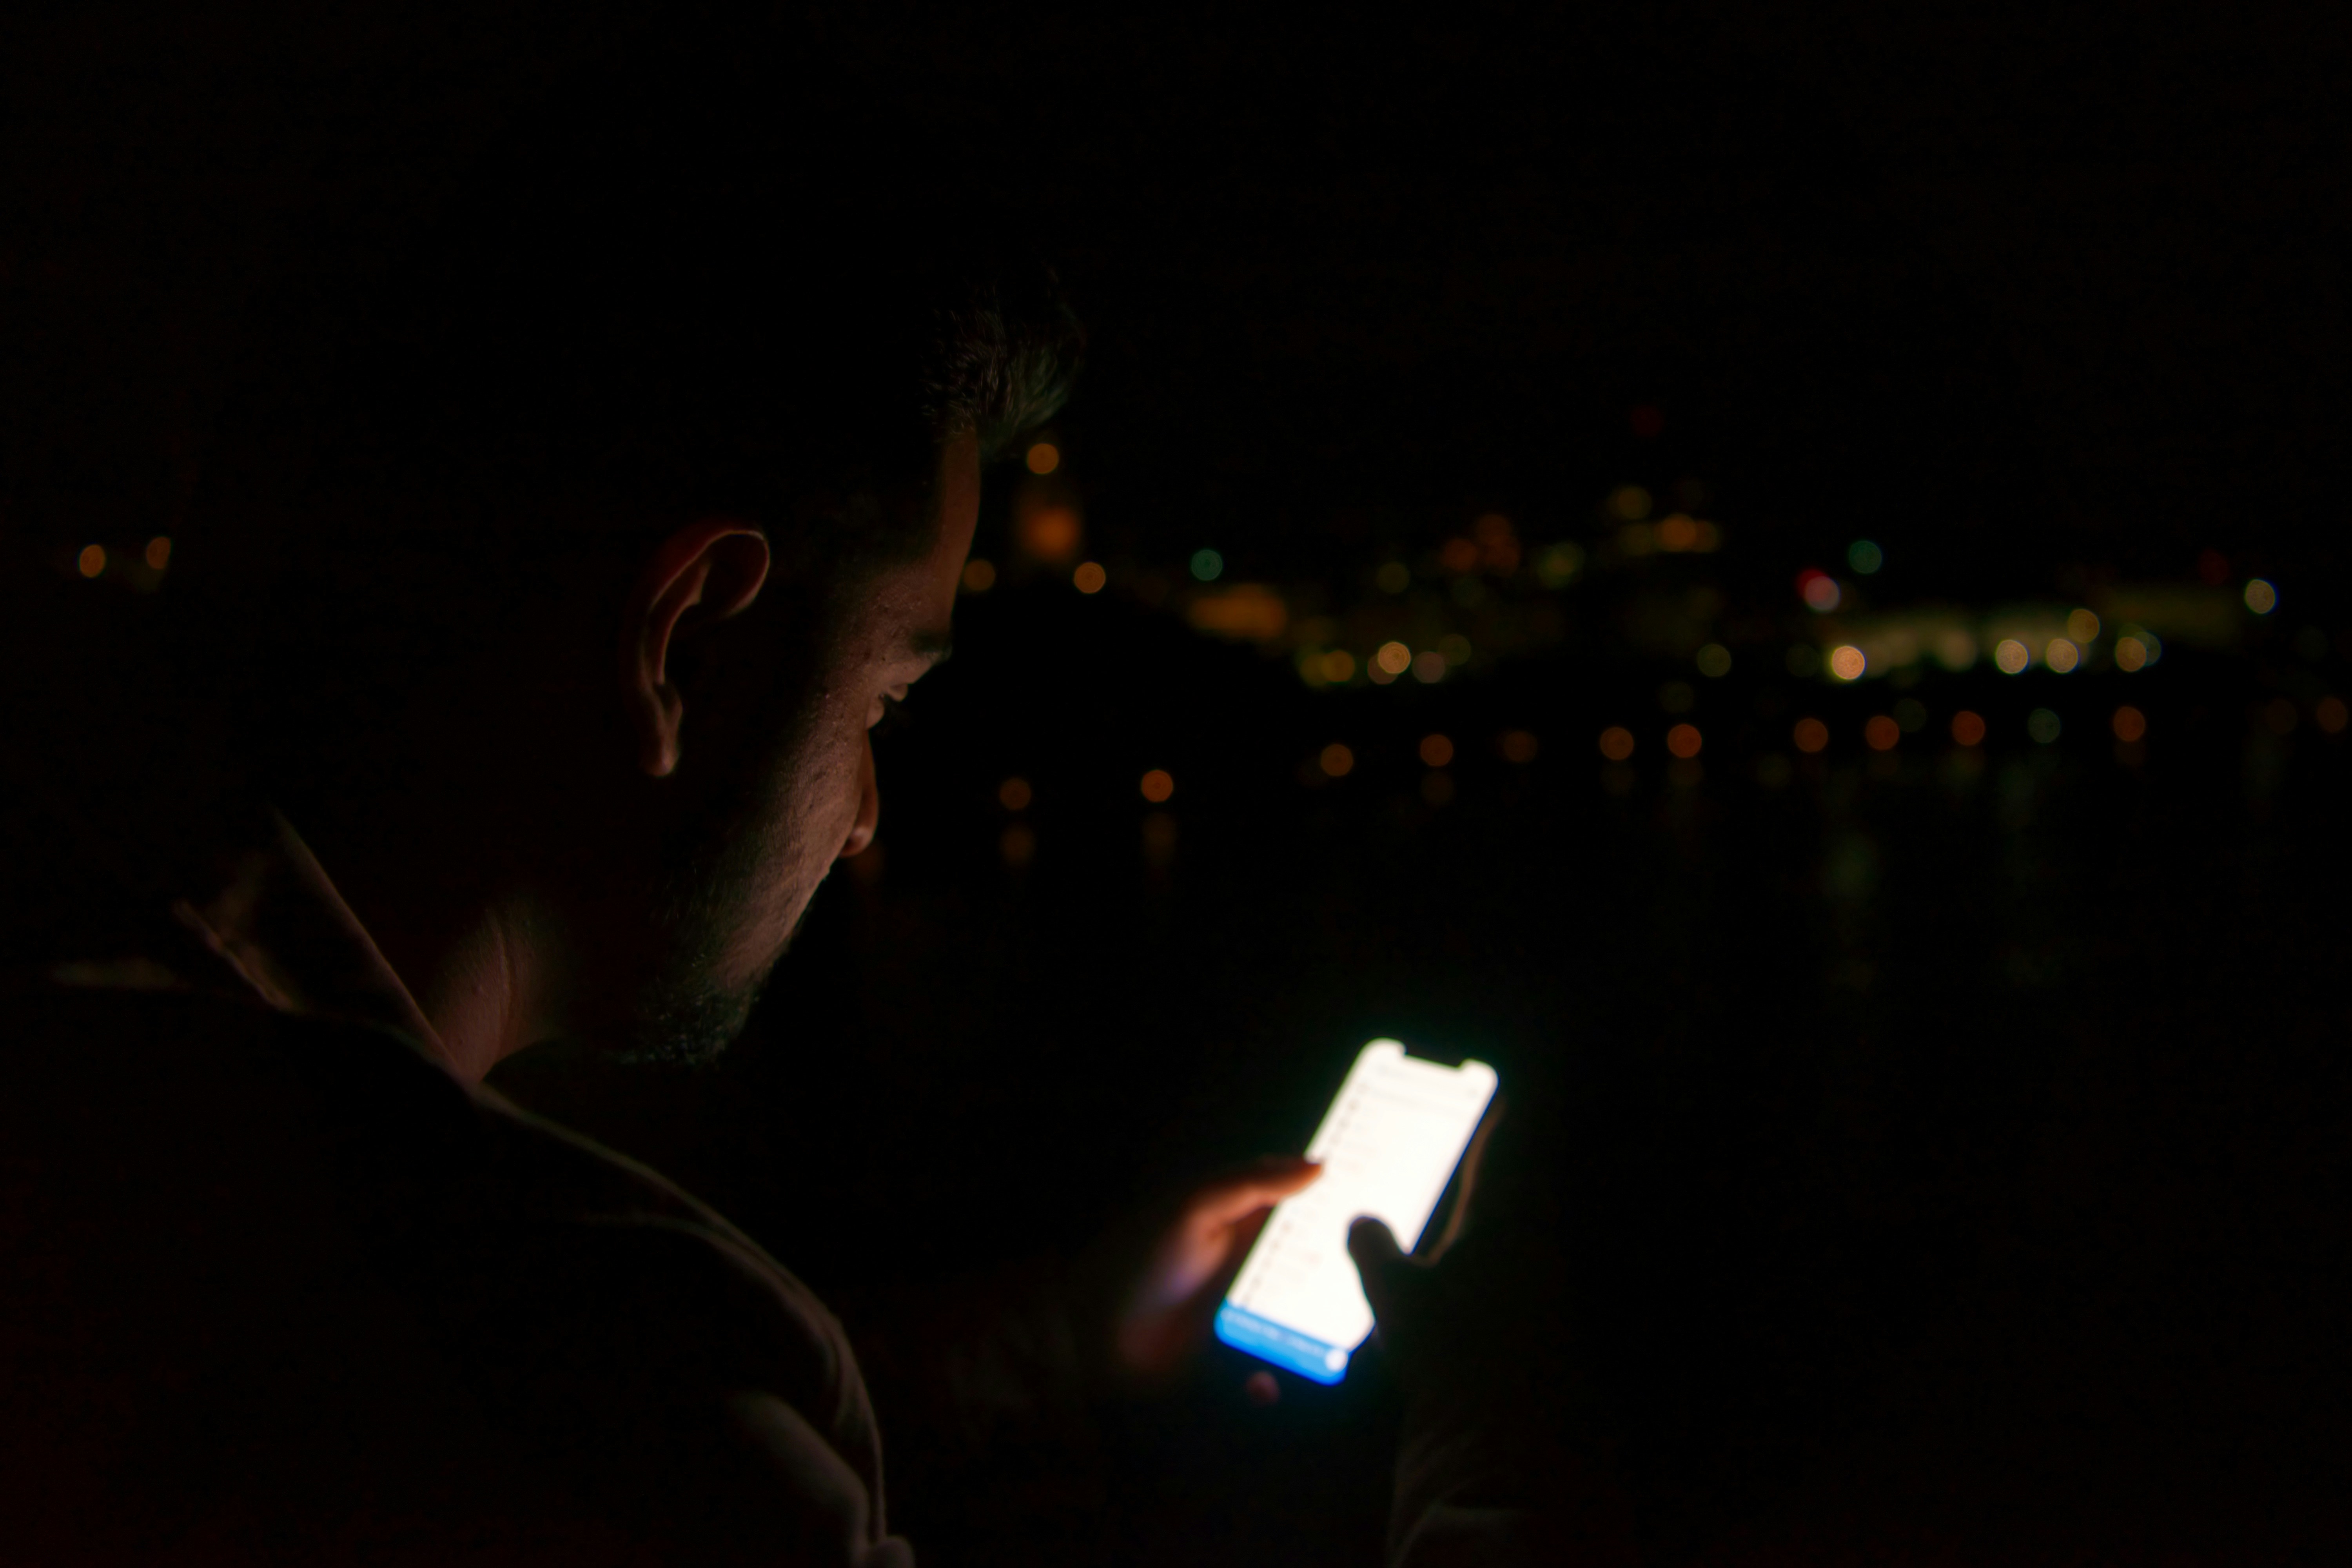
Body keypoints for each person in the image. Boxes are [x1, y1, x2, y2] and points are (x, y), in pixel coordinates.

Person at [0, 18, 1628, 1566]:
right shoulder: (573, 1364)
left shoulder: (124, 1061)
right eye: (885, 700)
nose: (863, 816)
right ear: (685, 644)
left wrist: (1056, 1342)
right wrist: (1495, 1487)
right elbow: (584, 1427)